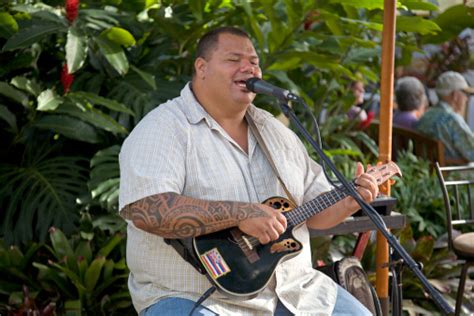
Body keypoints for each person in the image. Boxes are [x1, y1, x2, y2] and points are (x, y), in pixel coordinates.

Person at [118, 27, 379, 315]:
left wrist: (350, 201)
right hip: (195, 297)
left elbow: (315, 213)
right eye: (233, 59)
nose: (248, 67)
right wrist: (241, 213)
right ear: (201, 68)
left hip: (296, 293)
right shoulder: (164, 129)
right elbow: (147, 210)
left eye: (254, 62)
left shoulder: (275, 132)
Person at [415, 71, 474, 162]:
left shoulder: (426, 115)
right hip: (453, 173)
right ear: (455, 95)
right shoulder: (452, 120)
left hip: (429, 171)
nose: (466, 99)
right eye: (465, 94)